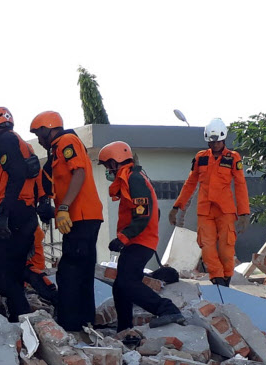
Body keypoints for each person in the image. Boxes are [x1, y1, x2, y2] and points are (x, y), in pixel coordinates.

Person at [98, 141, 185, 332]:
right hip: (137, 241)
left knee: (127, 283)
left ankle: (167, 309)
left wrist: (123, 238)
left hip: (140, 241)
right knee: (120, 287)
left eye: (108, 165)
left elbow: (143, 215)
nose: (107, 170)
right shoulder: (131, 178)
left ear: (117, 161)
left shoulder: (134, 179)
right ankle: (124, 329)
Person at [30, 111, 103, 331]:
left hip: (81, 216)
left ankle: (70, 325)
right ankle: (85, 320)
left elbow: (78, 173)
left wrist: (63, 207)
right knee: (82, 269)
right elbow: (54, 180)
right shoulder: (55, 152)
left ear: (49, 129)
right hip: (83, 217)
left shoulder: (66, 141)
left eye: (39, 134)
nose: (39, 140)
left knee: (69, 271)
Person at [169, 118, 250, 287]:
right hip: (205, 211)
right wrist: (177, 207)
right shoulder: (200, 158)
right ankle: (217, 278)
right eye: (211, 142)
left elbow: (241, 185)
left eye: (217, 142)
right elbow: (190, 183)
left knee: (226, 248)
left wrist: (244, 214)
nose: (214, 145)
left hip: (225, 210)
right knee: (207, 248)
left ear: (223, 138)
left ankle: (226, 278)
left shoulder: (233, 158)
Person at [0, 107, 39, 321]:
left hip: (14, 210)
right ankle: (22, 319)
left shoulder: (5, 140)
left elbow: (16, 176)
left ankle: (20, 320)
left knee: (4, 278)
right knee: (14, 273)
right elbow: (30, 178)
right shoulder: (22, 143)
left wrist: (4, 214)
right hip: (26, 212)